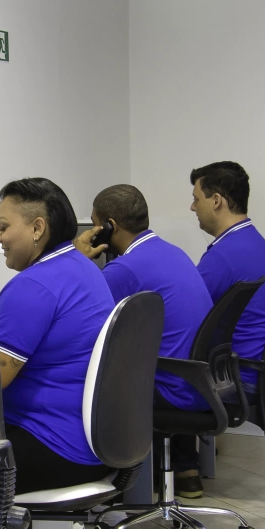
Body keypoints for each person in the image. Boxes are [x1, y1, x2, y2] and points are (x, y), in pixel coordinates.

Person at [0, 178, 115, 529]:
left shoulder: (33, 286)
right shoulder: (84, 269)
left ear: (37, 228)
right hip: (95, 443)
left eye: (3, 227)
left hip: (53, 446)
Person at [76, 183, 213, 496]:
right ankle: (184, 469)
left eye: (96, 224)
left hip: (172, 391)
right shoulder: (173, 252)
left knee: (83, 382)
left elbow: (79, 319)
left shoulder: (124, 269)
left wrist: (79, 260)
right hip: (200, 383)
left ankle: (102, 484)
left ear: (110, 226)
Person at [189, 161, 265, 493]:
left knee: (156, 374)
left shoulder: (224, 256)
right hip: (263, 375)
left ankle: (182, 471)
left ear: (216, 200)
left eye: (196, 198)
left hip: (236, 381)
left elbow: (187, 312)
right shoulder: (254, 242)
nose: (192, 207)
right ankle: (187, 469)